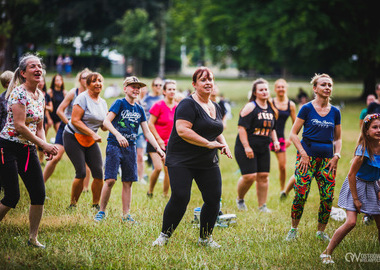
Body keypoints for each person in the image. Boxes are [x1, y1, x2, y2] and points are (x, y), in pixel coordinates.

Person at [152, 67, 232, 248]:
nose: (208, 82)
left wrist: (224, 143)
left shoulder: (216, 106)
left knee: (213, 199)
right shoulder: (188, 104)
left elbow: (216, 129)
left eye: (210, 79)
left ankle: (205, 238)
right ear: (194, 84)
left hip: (206, 160)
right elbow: (182, 130)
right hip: (181, 159)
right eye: (203, 80)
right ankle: (164, 236)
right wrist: (208, 143)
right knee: (181, 197)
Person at [0, 54, 58, 248]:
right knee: (12, 196)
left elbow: (39, 126)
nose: (38, 69)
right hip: (7, 147)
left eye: (40, 66)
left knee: (38, 194)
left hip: (28, 148)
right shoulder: (18, 93)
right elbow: (19, 126)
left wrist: (43, 145)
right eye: (33, 66)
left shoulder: (40, 95)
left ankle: (33, 238)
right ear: (23, 73)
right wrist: (44, 144)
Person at [94, 76, 165, 223]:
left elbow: (146, 131)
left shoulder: (139, 108)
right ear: (125, 88)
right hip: (114, 145)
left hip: (131, 147)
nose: (136, 89)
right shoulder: (119, 103)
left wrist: (158, 148)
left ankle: (126, 215)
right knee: (111, 179)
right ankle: (101, 211)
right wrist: (118, 135)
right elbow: (106, 122)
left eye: (138, 87)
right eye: (133, 86)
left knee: (128, 181)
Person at [285, 73, 342, 241]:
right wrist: (303, 153)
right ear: (315, 88)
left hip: (328, 161)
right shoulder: (307, 108)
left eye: (329, 85)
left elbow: (338, 138)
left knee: (327, 197)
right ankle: (293, 229)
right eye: (323, 84)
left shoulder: (335, 112)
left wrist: (337, 155)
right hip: (306, 159)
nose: (327, 88)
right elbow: (293, 134)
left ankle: (321, 232)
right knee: (301, 195)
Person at [320, 113, 380, 264]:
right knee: (351, 222)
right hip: (357, 185)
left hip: (373, 185)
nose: (379, 130)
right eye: (375, 127)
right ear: (366, 131)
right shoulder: (363, 151)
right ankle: (326, 253)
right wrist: (356, 199)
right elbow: (351, 175)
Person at [63, 72, 107, 209]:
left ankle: (95, 205)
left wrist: (112, 125)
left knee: (99, 173)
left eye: (99, 80)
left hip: (90, 139)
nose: (97, 83)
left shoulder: (103, 103)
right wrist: (92, 134)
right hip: (73, 137)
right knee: (81, 172)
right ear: (87, 85)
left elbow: (103, 126)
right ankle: (73, 204)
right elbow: (75, 120)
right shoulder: (82, 98)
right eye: (94, 81)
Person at [235, 78, 280, 212]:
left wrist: (275, 141)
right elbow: (241, 128)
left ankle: (262, 206)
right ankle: (240, 199)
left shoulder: (271, 108)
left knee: (263, 176)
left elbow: (272, 128)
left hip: (263, 147)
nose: (264, 92)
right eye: (261, 90)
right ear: (255, 93)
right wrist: (246, 146)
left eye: (266, 89)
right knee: (249, 176)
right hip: (247, 146)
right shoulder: (251, 107)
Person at [43, 69, 91, 186]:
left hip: (83, 129)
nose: (86, 80)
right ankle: (40, 184)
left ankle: (85, 189)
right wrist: (69, 123)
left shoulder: (92, 95)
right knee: (56, 157)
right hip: (67, 127)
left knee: (87, 160)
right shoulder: (73, 92)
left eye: (89, 77)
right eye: (84, 77)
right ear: (79, 80)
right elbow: (59, 111)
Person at [147, 80, 178, 197]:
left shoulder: (178, 107)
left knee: (168, 170)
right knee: (158, 168)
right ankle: (150, 191)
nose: (172, 91)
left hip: (170, 143)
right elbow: (150, 124)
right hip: (155, 142)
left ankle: (165, 195)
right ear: (164, 92)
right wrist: (158, 139)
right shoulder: (158, 105)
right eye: (169, 89)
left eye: (174, 89)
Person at [269, 79, 297, 197]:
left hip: (280, 139)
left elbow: (296, 124)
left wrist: (290, 139)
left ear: (286, 88)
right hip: (266, 136)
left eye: (283, 87)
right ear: (275, 89)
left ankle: (282, 190)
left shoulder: (291, 105)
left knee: (282, 166)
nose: (281, 89)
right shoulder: (270, 102)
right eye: (278, 87)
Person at [37, 76, 53, 164]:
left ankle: (41, 160)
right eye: (40, 81)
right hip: (34, 119)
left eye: (42, 81)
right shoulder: (32, 93)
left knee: (42, 139)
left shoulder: (46, 95)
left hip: (43, 119)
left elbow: (51, 108)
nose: (41, 83)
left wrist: (43, 106)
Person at [136, 86, 148, 184]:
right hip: (127, 134)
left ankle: (141, 177)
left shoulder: (141, 104)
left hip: (139, 134)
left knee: (140, 156)